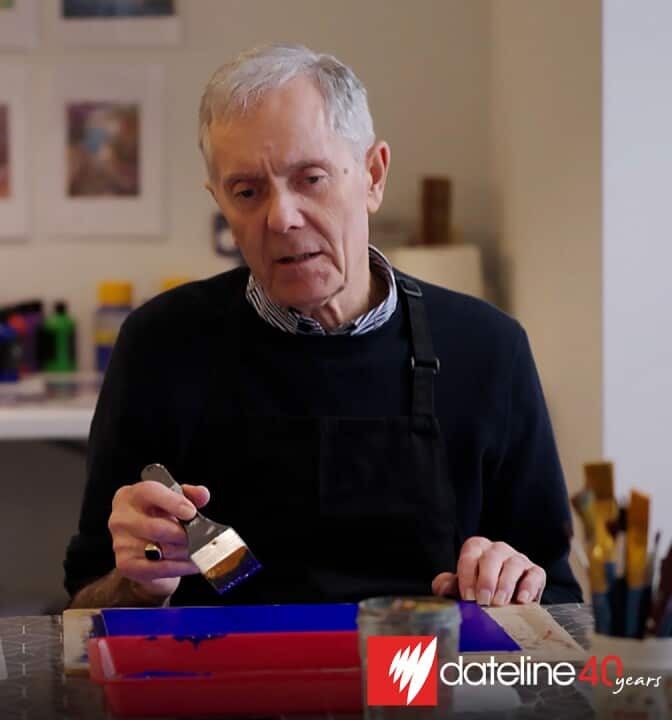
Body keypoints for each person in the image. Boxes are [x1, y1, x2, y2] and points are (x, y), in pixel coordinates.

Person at [64, 44, 582, 610]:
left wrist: (511, 585)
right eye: (247, 192)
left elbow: (557, 599)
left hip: (416, 664)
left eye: (311, 178)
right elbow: (85, 604)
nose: (282, 218)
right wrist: (139, 585)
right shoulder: (161, 346)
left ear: (373, 176)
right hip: (223, 668)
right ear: (220, 203)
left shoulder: (489, 350)